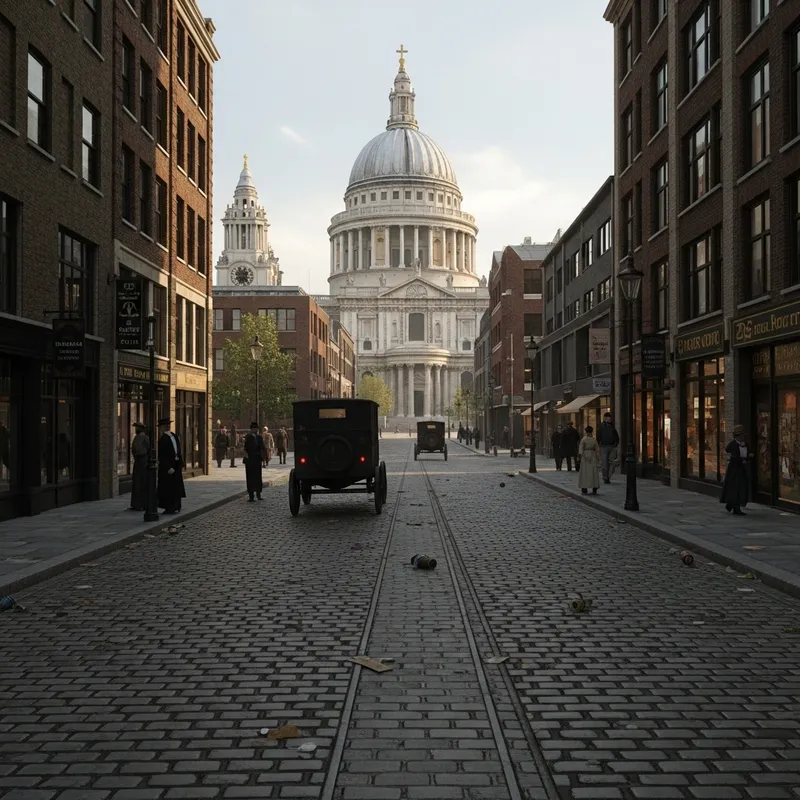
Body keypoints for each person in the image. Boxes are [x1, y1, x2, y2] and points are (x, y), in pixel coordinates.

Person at [720, 424, 752, 516]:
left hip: (742, 469)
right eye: (741, 435)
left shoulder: (746, 444)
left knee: (741, 488)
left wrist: (749, 457)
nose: (743, 437)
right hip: (734, 470)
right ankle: (735, 507)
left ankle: (732, 504)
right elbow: (731, 454)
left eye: (743, 435)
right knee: (735, 488)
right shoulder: (732, 445)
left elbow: (748, 452)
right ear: (737, 436)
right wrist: (740, 459)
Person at [156, 418, 185, 513]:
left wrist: (178, 463)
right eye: (166, 425)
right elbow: (163, 455)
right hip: (171, 465)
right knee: (170, 487)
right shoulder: (167, 438)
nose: (168, 427)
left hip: (173, 465)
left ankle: (174, 506)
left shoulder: (171, 437)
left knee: (173, 487)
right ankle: (172, 506)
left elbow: (177, 451)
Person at [129, 422, 149, 511]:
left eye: (137, 428)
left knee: (140, 483)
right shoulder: (142, 437)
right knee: (139, 483)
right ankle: (140, 503)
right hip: (141, 463)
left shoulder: (140, 437)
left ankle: (139, 504)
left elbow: (139, 450)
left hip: (142, 463)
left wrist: (139, 454)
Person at [597, 412, 620, 484]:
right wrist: (599, 445)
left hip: (612, 447)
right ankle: (605, 477)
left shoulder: (612, 426)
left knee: (612, 463)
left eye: (610, 418)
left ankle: (608, 477)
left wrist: (616, 443)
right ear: (605, 418)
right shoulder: (601, 426)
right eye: (608, 418)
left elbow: (616, 435)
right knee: (605, 464)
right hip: (604, 447)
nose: (610, 419)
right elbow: (598, 436)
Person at [244, 422, 265, 501]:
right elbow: (246, 448)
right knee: (250, 478)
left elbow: (262, 447)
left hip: (256, 459)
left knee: (257, 477)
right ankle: (251, 495)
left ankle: (258, 494)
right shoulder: (249, 437)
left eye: (255, 428)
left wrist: (262, 457)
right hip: (250, 460)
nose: (254, 430)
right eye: (253, 428)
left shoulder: (259, 437)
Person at [578, 425, 600, 495]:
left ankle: (584, 488)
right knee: (593, 472)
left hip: (585, 456)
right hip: (593, 455)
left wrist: (581, 455)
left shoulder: (583, 439)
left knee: (585, 473)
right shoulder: (594, 439)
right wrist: (598, 457)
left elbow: (581, 449)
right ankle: (594, 487)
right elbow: (597, 449)